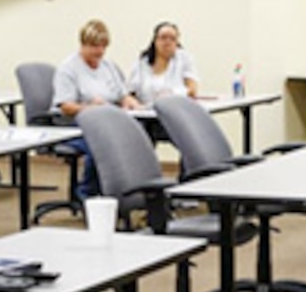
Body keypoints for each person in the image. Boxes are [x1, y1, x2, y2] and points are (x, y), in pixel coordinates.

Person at [52, 19, 140, 199]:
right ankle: (87, 192)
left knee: (133, 139)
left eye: (103, 46)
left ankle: (125, 193)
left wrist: (128, 102)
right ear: (83, 44)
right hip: (74, 127)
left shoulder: (108, 66)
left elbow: (122, 94)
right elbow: (65, 106)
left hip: (106, 123)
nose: (99, 51)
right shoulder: (68, 69)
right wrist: (90, 108)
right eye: (94, 46)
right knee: (102, 146)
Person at [126, 21, 200, 101]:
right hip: (145, 110)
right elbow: (130, 92)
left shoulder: (184, 59)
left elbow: (192, 90)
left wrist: (172, 93)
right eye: (163, 37)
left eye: (172, 39)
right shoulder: (142, 63)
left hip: (176, 108)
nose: (167, 42)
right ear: (155, 41)